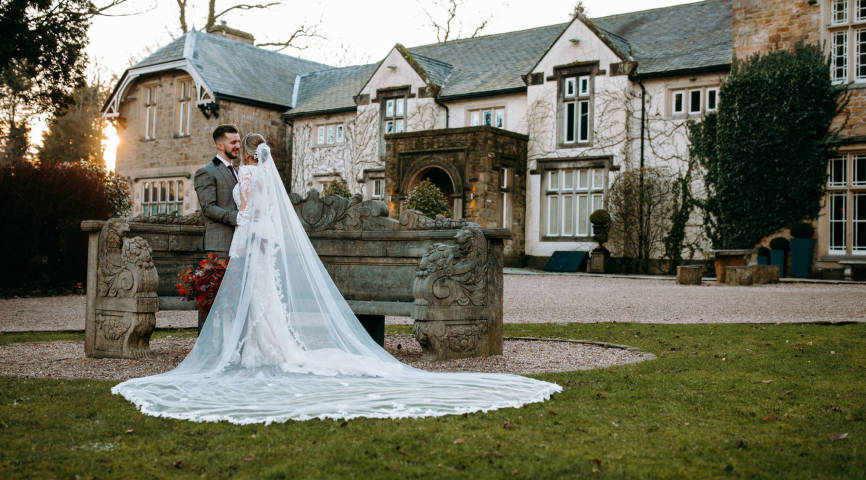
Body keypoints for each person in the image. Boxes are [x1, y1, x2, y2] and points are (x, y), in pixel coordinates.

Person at [112, 136, 561, 424]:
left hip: (250, 241)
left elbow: (248, 211)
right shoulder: (238, 176)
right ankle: (251, 347)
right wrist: (245, 219)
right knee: (251, 300)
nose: (236, 150)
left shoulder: (247, 178)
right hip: (244, 241)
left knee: (258, 300)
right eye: (232, 143)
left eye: (239, 145)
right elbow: (226, 209)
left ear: (247, 155)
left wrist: (246, 219)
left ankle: (254, 349)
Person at [194, 125, 241, 257]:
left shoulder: (238, 171)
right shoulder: (206, 172)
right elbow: (208, 208)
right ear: (220, 145)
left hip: (240, 242)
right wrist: (237, 217)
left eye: (238, 141)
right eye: (233, 142)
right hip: (220, 245)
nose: (238, 146)